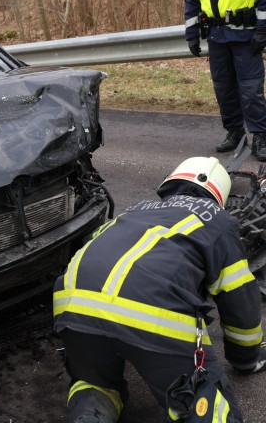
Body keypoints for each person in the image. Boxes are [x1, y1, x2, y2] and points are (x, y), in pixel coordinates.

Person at [52, 157, 266, 422]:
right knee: (201, 401)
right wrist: (246, 358)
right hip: (147, 310)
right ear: (219, 195)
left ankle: (91, 407)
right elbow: (240, 302)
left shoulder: (135, 211)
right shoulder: (218, 221)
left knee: (95, 382)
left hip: (71, 302)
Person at [185, 0, 266, 160]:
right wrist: (191, 34)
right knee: (223, 89)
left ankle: (261, 137)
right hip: (216, 38)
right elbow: (192, 2)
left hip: (245, 38)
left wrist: (262, 28)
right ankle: (235, 133)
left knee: (251, 90)